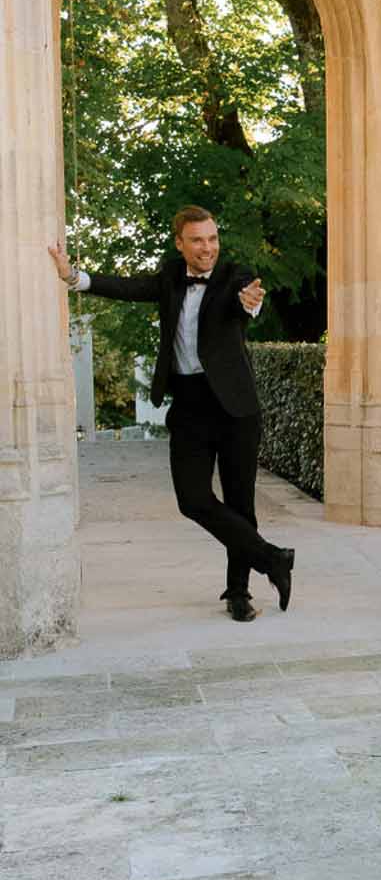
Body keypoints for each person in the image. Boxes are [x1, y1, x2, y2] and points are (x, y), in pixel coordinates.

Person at [49, 207, 295, 623]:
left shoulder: (235, 273)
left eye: (213, 239)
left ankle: (239, 593)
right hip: (190, 405)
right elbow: (127, 287)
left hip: (236, 408)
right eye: (197, 240)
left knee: (240, 502)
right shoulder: (168, 277)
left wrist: (251, 302)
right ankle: (273, 558)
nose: (207, 248)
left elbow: (247, 298)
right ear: (180, 243)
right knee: (192, 500)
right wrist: (75, 277)